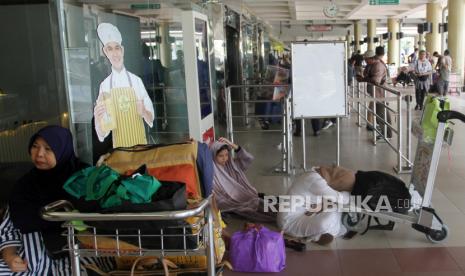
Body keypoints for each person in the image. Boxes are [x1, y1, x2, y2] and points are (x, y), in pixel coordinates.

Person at [8, 126, 115, 275]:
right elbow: (10, 227)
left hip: (83, 255)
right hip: (33, 261)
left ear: (62, 150)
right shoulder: (24, 186)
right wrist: (10, 256)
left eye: (48, 149)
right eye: (35, 146)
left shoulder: (84, 179)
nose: (39, 154)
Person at [93, 23, 154, 148]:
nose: (115, 54)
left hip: (140, 145)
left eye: (117, 48)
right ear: (105, 52)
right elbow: (103, 133)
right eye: (110, 49)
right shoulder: (104, 86)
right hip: (120, 150)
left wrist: (143, 112)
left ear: (123, 50)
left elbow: (151, 118)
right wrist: (99, 121)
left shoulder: (136, 81)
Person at [277, 168, 350, 245]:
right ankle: (316, 236)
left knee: (333, 207)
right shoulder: (315, 181)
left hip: (302, 213)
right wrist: (351, 192)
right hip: (289, 222)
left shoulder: (312, 174)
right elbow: (341, 198)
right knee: (328, 218)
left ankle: (318, 233)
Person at [210, 137, 276, 222]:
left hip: (249, 196)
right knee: (266, 211)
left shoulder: (232, 165)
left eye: (226, 155)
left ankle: (289, 211)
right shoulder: (213, 174)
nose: (224, 158)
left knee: (274, 204)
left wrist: (232, 145)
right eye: (220, 156)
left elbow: (249, 158)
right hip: (238, 202)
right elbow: (217, 196)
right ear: (213, 155)